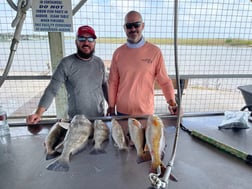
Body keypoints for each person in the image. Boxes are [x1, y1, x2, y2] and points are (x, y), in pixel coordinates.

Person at [26, 25, 108, 124]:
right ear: (76, 42)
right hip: (76, 121)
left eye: (90, 39)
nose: (86, 43)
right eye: (81, 38)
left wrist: (111, 106)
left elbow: (104, 85)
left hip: (99, 119)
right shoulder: (66, 63)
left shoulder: (99, 62)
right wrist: (38, 113)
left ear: (94, 43)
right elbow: (52, 90)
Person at [107, 10, 178, 116]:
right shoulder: (118, 53)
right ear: (124, 28)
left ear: (143, 26)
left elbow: (164, 81)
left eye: (136, 25)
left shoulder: (155, 52)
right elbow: (113, 82)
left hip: (146, 112)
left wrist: (172, 103)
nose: (133, 29)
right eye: (129, 26)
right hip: (122, 112)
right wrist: (111, 106)